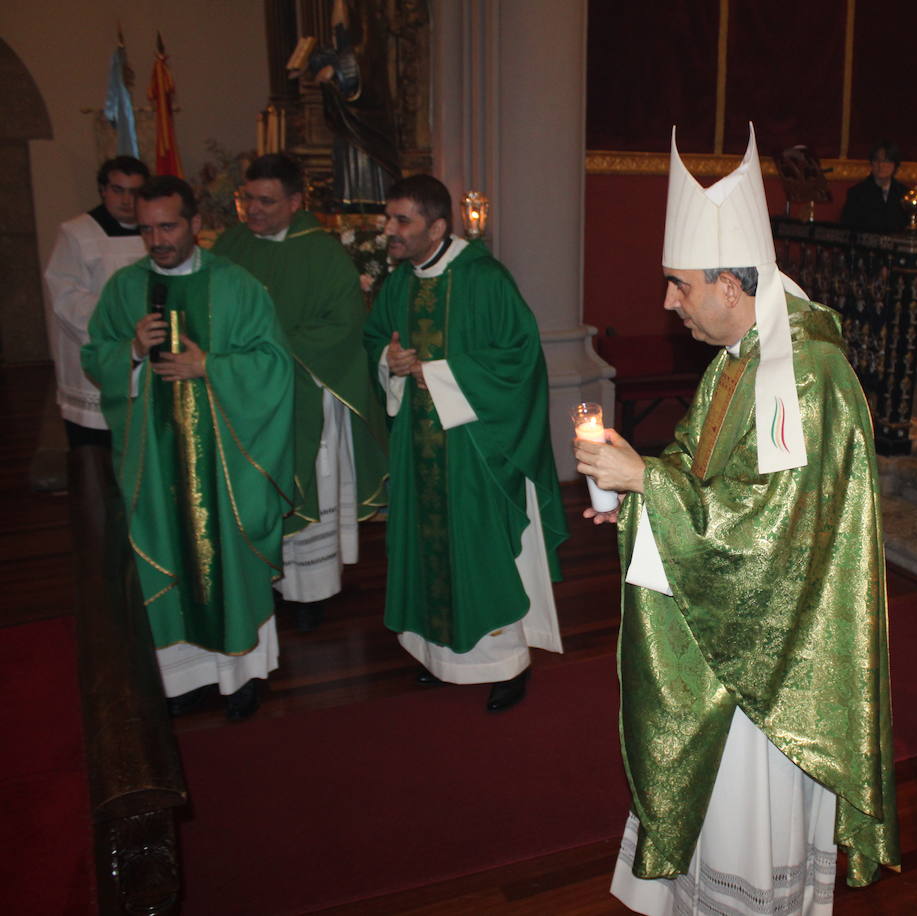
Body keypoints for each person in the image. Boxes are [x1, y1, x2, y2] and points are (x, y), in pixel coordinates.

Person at [575, 125, 899, 916]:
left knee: (748, 823)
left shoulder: (804, 379)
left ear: (731, 283)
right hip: (730, 624)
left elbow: (774, 538)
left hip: (771, 659)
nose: (667, 301)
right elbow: (697, 463)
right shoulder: (743, 354)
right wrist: (642, 488)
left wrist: (647, 483)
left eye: (680, 285)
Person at [81, 176, 295, 721]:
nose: (157, 240)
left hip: (226, 463)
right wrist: (130, 350)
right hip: (155, 463)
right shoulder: (126, 288)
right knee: (168, 554)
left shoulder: (237, 286)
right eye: (146, 229)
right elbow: (95, 355)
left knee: (226, 558)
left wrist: (210, 367)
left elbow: (275, 367)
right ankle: (186, 677)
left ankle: (242, 675)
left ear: (197, 225)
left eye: (169, 226)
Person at [362, 174, 566, 711]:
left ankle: (506, 664)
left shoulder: (485, 279)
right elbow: (375, 340)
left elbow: (521, 360)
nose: (390, 230)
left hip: (477, 450)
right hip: (418, 446)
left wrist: (441, 373)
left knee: (482, 551)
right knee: (427, 547)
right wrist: (393, 362)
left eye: (401, 220)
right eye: (389, 219)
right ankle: (438, 655)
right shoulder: (400, 284)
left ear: (437, 225)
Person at [213, 154, 388, 631]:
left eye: (266, 201)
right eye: (247, 198)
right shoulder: (230, 246)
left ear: (295, 202)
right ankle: (258, 578)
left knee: (306, 480)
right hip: (240, 395)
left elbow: (343, 325)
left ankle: (309, 593)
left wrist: (272, 355)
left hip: (303, 390)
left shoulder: (323, 253)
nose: (253, 210)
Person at [44, 156, 150, 448]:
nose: (127, 200)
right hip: (96, 352)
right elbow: (66, 296)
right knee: (97, 445)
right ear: (103, 190)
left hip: (145, 352)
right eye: (118, 190)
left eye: (135, 191)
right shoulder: (77, 232)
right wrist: (119, 327)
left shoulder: (156, 231)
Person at [841, 140, 909, 232]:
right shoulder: (857, 193)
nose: (881, 165)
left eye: (886, 161)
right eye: (877, 160)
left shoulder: (904, 194)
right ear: (871, 163)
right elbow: (847, 229)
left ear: (895, 165)